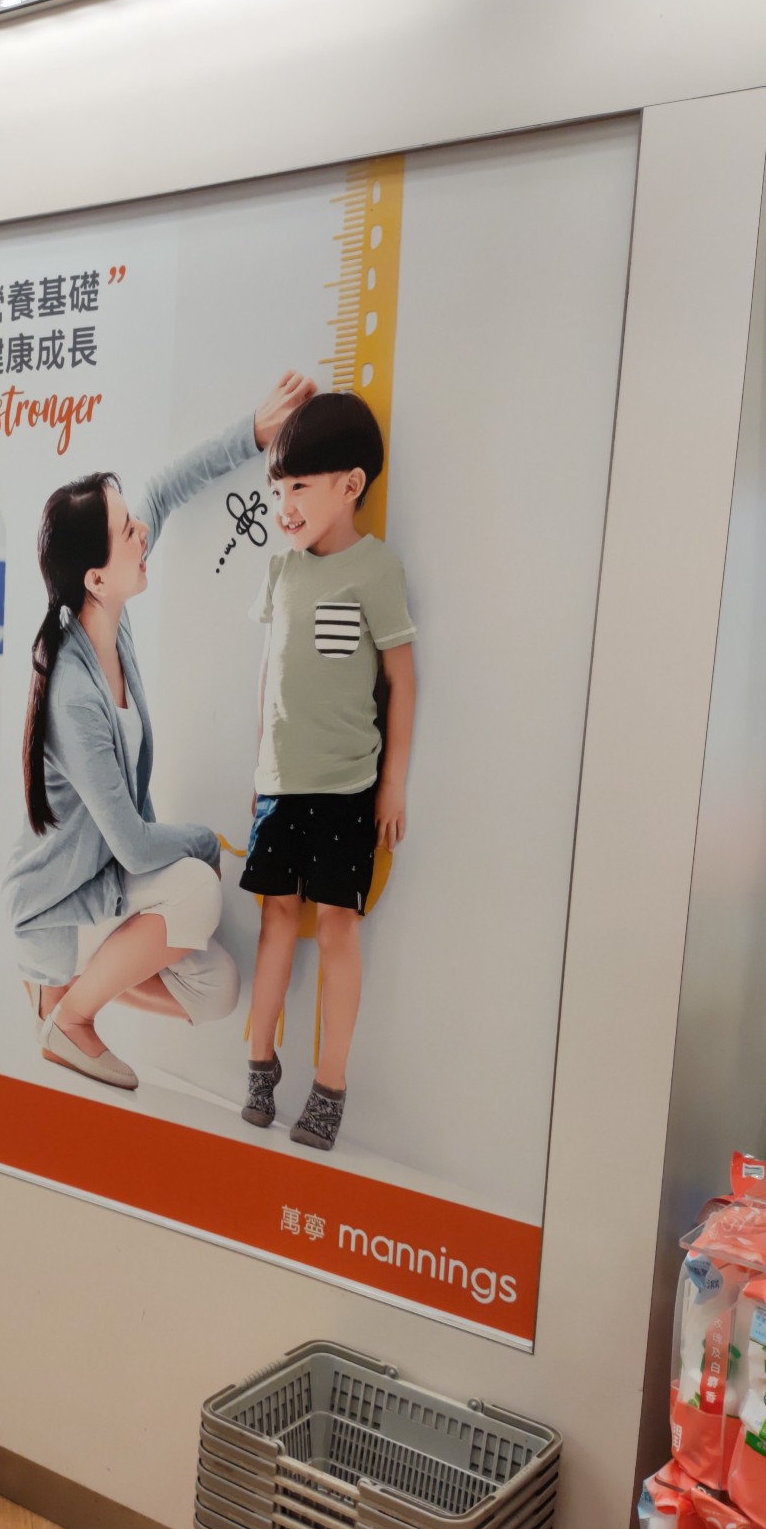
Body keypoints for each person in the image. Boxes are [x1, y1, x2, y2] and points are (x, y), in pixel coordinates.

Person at [3, 373, 315, 1091]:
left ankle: (69, 990)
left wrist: (255, 432)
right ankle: (69, 1022)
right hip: (62, 900)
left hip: (104, 884)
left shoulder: (109, 620)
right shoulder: (74, 692)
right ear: (96, 578)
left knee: (218, 988)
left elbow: (164, 490)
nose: (141, 533)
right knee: (198, 888)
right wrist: (204, 842)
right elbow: (136, 846)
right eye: (128, 533)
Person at [239, 391, 417, 1152]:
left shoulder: (376, 570)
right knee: (276, 919)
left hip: (347, 791)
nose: (284, 505)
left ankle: (331, 1086)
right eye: (278, 489)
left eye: (300, 488)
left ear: (350, 485)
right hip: (279, 787)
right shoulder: (280, 571)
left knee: (338, 926)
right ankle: (259, 1061)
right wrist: (258, 768)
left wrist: (393, 782)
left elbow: (401, 680)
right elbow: (269, 677)